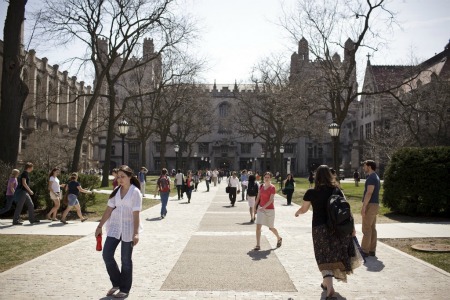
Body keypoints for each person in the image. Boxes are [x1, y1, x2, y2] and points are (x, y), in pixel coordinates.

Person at [295, 165, 355, 299]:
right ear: (330, 175)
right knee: (332, 255)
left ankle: (330, 287)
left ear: (317, 177)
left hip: (318, 228)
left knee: (322, 256)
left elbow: (304, 209)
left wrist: (298, 212)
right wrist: (353, 228)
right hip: (334, 227)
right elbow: (347, 209)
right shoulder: (336, 190)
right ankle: (326, 283)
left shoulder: (311, 192)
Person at [95, 165, 142, 298]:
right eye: (118, 176)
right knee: (107, 255)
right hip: (114, 228)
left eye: (123, 177)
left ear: (129, 177)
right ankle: (116, 283)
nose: (120, 179)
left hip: (128, 229)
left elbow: (136, 214)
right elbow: (108, 210)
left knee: (125, 260)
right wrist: (99, 227)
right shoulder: (116, 190)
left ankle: (125, 289)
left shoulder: (135, 192)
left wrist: (136, 233)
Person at [254, 172, 282, 251]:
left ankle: (279, 238)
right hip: (261, 209)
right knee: (258, 227)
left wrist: (264, 207)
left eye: (268, 177)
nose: (266, 178)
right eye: (265, 177)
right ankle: (258, 245)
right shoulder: (261, 186)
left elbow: (271, 200)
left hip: (270, 210)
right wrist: (255, 206)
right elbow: (258, 197)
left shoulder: (272, 187)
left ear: (270, 178)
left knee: (271, 228)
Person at [361, 160, 380, 257]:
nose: (363, 168)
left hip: (370, 205)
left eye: (364, 166)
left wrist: (364, 206)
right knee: (372, 228)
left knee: (366, 228)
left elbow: (369, 192)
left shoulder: (371, 178)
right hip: (374, 204)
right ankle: (372, 250)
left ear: (369, 166)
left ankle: (364, 251)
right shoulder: (375, 176)